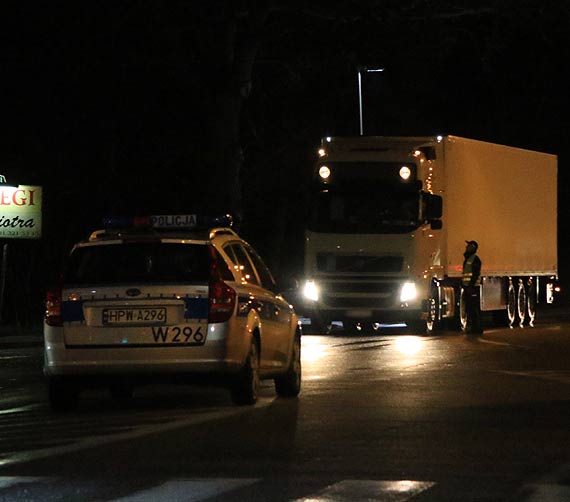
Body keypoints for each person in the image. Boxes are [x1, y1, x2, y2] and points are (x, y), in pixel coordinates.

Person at [462, 240, 482, 334]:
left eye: (468, 246)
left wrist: (471, 285)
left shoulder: (474, 259)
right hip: (468, 287)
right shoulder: (468, 259)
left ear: (473, 248)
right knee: (470, 308)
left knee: (474, 308)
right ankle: (473, 327)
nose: (466, 247)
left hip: (473, 288)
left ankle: (477, 328)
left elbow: (475, 274)